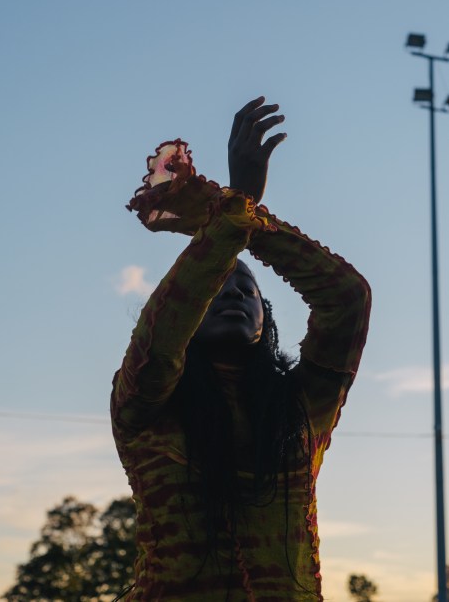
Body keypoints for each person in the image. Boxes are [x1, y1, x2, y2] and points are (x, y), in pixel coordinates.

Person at [111, 97, 371, 601]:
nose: (230, 294)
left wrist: (242, 214)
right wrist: (234, 211)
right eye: (216, 286)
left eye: (245, 289)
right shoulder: (145, 403)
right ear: (188, 307)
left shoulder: (302, 410)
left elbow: (346, 298)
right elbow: (161, 342)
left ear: (264, 317)